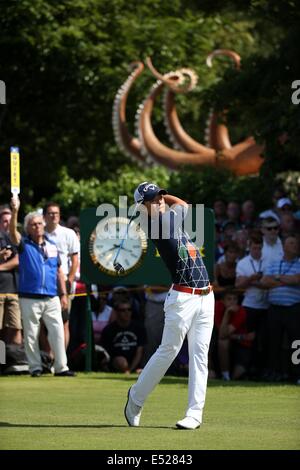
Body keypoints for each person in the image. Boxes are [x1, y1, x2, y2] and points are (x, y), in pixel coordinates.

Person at [124, 182, 214, 430]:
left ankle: (194, 415)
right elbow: (183, 206)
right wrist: (149, 204)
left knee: (200, 356)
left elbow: (182, 205)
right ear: (142, 208)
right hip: (183, 298)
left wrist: (160, 195)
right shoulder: (155, 225)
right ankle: (135, 398)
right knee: (168, 351)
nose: (160, 201)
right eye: (153, 200)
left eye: (161, 197)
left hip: (206, 295)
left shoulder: (166, 217)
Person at [9, 196, 75, 377]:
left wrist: (63, 294)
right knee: (31, 334)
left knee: (58, 332)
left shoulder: (52, 246)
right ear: (28, 228)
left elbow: (59, 272)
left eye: (39, 223)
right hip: (29, 296)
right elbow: (12, 231)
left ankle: (62, 367)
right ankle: (35, 367)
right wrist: (15, 211)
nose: (37, 226)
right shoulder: (23, 244)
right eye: (33, 224)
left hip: (52, 296)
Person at [43, 202, 80, 348]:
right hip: (44, 282)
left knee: (63, 321)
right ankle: (49, 358)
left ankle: (61, 361)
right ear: (45, 216)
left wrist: (69, 280)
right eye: (50, 213)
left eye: (56, 213)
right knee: (43, 324)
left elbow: (75, 260)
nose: (53, 216)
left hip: (63, 281)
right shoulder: (40, 233)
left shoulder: (68, 233)